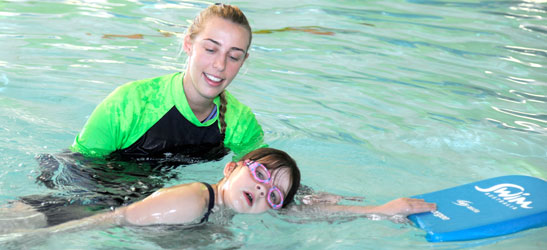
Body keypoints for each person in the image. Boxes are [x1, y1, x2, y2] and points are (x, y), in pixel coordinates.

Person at [1, 148, 435, 238]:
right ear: (231, 169)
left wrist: (380, 210)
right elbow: (108, 221)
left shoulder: (232, 206)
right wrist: (32, 240)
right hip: (67, 210)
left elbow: (298, 215)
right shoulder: (191, 199)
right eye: (261, 175)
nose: (264, 191)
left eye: (275, 194)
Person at [70, 3, 264, 163]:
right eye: (211, 49)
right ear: (188, 44)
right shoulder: (130, 104)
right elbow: (75, 166)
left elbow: (270, 178)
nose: (220, 65)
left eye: (233, 56)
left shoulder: (240, 124)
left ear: (243, 61)